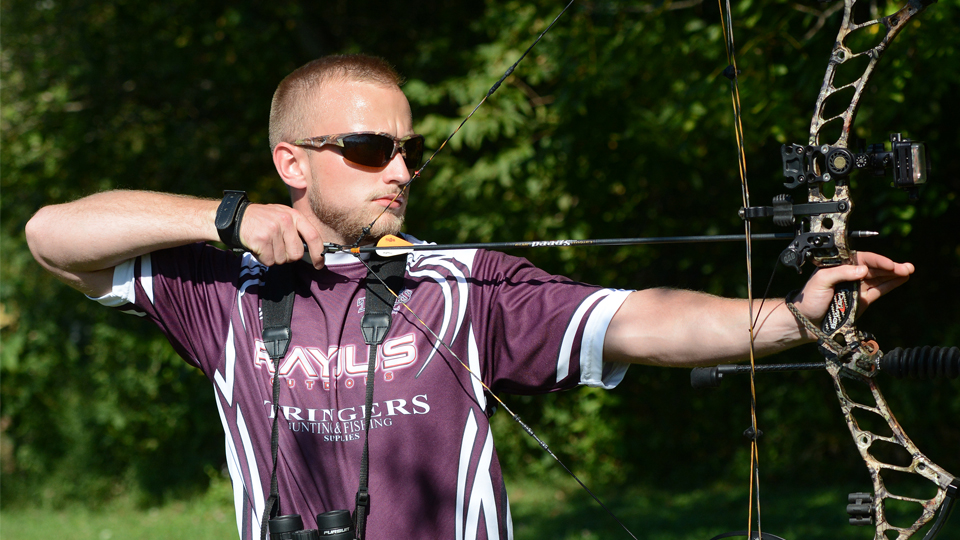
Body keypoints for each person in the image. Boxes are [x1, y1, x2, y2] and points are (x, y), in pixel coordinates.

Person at [24, 54, 914, 540]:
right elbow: (51, 235)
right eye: (373, 149)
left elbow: (640, 318)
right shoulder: (221, 290)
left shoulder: (462, 284)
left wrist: (794, 317)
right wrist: (226, 220)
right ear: (291, 162)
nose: (402, 170)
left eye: (412, 151)